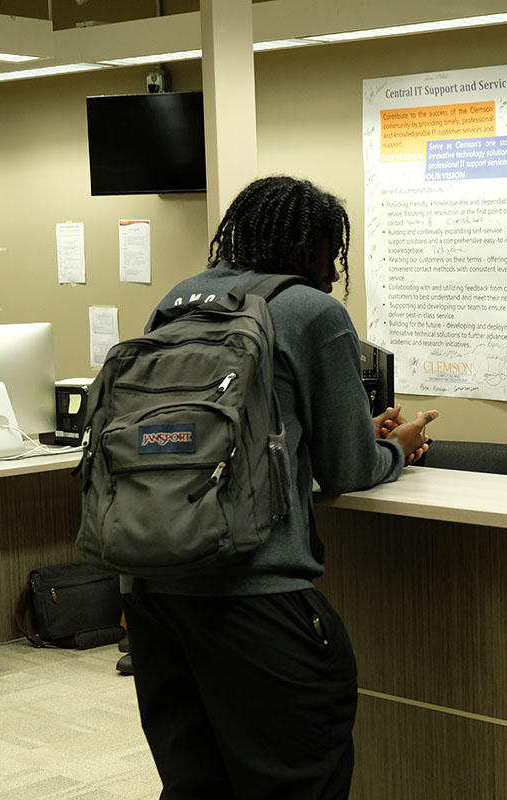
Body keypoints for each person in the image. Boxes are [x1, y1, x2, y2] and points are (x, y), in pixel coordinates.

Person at [122, 176, 437, 799]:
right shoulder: (312, 310)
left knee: (196, 786)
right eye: (331, 257)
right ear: (315, 248)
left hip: (155, 598)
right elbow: (349, 469)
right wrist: (394, 449)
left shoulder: (178, 300)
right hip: (257, 598)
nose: (331, 273)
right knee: (298, 783)